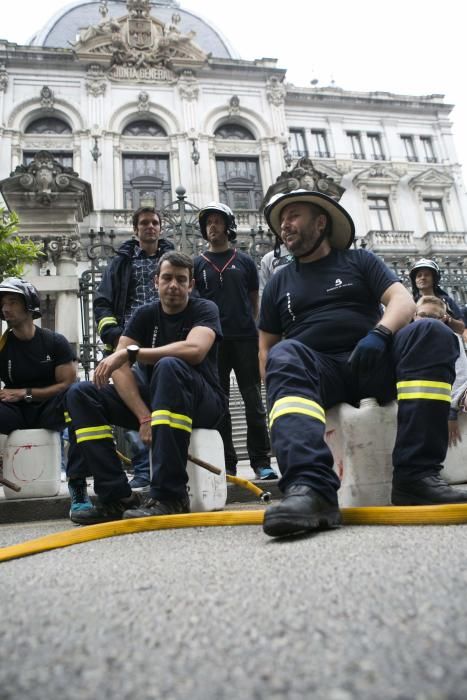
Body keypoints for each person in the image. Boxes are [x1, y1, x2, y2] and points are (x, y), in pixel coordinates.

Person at [257, 188, 466, 538]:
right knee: (283, 354)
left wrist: (380, 334)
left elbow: (401, 300)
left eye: (293, 216)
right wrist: (275, 391)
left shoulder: (359, 261)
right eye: (281, 221)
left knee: (431, 332)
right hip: (317, 372)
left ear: (321, 222)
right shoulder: (279, 282)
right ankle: (312, 491)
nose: (284, 226)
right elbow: (266, 347)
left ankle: (416, 476)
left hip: (373, 361)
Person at [66, 251, 227, 525]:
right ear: (156, 282)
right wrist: (143, 415)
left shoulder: (204, 309)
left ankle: (170, 496)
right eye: (167, 278)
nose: (173, 285)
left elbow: (195, 349)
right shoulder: (145, 314)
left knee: (168, 365)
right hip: (158, 402)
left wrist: (131, 353)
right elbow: (120, 366)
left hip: (203, 402)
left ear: (190, 285)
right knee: (81, 394)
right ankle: (116, 495)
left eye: (180, 279)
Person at [93, 206, 174, 490]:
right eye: (144, 223)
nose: (150, 226)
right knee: (132, 402)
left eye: (154, 222)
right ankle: (141, 468)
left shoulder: (171, 260)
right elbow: (102, 302)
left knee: (164, 398)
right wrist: (114, 336)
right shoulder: (120, 263)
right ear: (135, 229)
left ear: (160, 228)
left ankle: (167, 464)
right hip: (128, 340)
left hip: (165, 337)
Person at [193, 202, 275, 480]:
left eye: (216, 221)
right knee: (220, 404)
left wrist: (249, 327)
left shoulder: (245, 261)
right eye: (208, 223)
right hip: (214, 343)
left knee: (253, 401)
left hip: (244, 340)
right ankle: (227, 463)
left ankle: (261, 461)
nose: (212, 227)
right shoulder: (197, 264)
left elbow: (254, 301)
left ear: (228, 226)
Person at [0, 278, 79, 506]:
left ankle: (78, 480)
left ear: (29, 306)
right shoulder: (3, 347)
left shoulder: (54, 342)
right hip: (16, 410)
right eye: (3, 303)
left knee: (78, 399)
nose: (6, 308)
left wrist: (25, 393)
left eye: (12, 302)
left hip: (50, 408)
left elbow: (66, 384)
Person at [414, 295, 467, 448]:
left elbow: (461, 374)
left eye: (434, 317)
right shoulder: (404, 336)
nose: (427, 321)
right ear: (414, 315)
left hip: (447, 400)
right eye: (423, 315)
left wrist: (452, 410)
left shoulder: (452, 338)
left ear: (444, 319)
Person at [409, 258, 465, 335]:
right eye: (419, 276)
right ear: (414, 280)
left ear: (434, 279)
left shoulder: (446, 301)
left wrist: (447, 318)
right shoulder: (410, 302)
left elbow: (461, 328)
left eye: (427, 275)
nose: (423, 278)